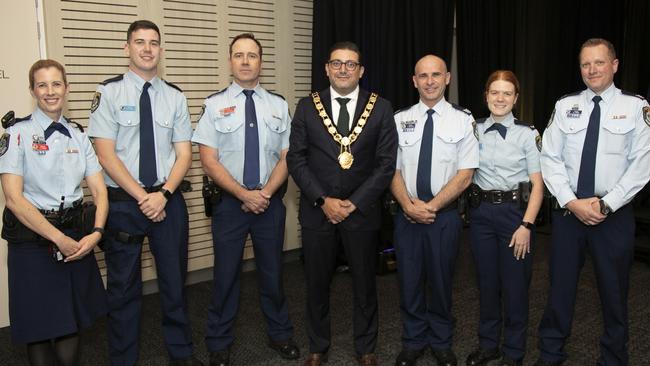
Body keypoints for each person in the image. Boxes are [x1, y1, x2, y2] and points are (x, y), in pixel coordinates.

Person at [88, 20, 201, 366]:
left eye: (154, 43)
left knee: (174, 283)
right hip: (124, 204)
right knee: (123, 289)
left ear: (160, 50)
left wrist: (163, 195)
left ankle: (180, 354)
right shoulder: (108, 93)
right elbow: (105, 154)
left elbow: (184, 154)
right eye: (140, 42)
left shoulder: (175, 96)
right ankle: (123, 359)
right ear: (127, 48)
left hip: (168, 201)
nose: (148, 49)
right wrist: (143, 197)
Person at [536, 38, 650, 366]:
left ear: (614, 65)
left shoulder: (635, 107)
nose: (592, 70)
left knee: (614, 293)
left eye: (599, 62)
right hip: (570, 214)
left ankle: (614, 358)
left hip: (612, 216)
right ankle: (550, 355)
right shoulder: (565, 106)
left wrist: (605, 205)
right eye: (586, 64)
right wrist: (572, 202)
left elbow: (641, 166)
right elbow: (550, 157)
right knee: (559, 289)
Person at [287, 41, 398, 366]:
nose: (343, 69)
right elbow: (296, 159)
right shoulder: (307, 106)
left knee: (365, 284)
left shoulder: (381, 107)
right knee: (316, 283)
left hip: (361, 213)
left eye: (351, 64)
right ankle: (317, 346)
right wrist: (323, 200)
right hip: (317, 211)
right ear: (326, 68)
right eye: (337, 63)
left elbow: (385, 164)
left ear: (361, 71)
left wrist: (354, 203)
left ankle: (365, 347)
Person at [192, 33, 299, 366]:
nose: (245, 61)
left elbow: (288, 155)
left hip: (269, 204)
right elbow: (208, 160)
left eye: (252, 55)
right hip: (229, 206)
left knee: (273, 274)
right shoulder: (213, 105)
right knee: (225, 276)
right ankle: (219, 341)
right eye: (239, 55)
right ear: (230, 61)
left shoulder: (278, 104)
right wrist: (243, 194)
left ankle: (280, 334)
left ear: (260, 62)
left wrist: (264, 194)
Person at [0, 59, 108, 366]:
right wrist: (58, 239)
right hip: (33, 240)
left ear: (67, 88)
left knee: (69, 322)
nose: (50, 92)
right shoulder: (16, 134)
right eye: (42, 85)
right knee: (38, 327)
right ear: (32, 90)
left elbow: (100, 192)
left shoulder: (78, 135)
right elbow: (13, 199)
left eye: (56, 84)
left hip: (75, 238)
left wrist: (96, 233)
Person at [390, 54, 478, 366]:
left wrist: (431, 207)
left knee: (442, 282)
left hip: (445, 218)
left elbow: (465, 173)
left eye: (436, 75)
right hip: (406, 215)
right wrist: (408, 206)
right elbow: (392, 170)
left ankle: (441, 342)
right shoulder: (399, 120)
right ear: (414, 80)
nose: (429, 81)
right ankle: (413, 341)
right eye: (423, 75)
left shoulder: (463, 119)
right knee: (409, 282)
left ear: (447, 78)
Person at [464, 71, 543, 366]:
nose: (500, 99)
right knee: (486, 283)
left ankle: (513, 352)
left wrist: (526, 226)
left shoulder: (527, 133)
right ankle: (488, 346)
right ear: (486, 96)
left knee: (515, 286)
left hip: (514, 215)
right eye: (494, 92)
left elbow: (538, 185)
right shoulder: (473, 129)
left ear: (516, 98)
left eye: (507, 93)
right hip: (481, 213)